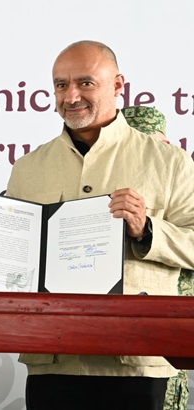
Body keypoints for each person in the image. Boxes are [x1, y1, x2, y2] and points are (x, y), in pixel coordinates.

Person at [6, 40, 194, 410]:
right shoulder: (27, 168)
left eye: (85, 83)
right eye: (61, 85)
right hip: (53, 358)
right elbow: (14, 259)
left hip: (137, 361)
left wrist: (147, 229)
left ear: (119, 85)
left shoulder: (170, 162)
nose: (71, 95)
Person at [122, 105, 193, 410]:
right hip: (117, 353)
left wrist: (147, 229)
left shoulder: (182, 183)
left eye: (158, 145)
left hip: (172, 348)